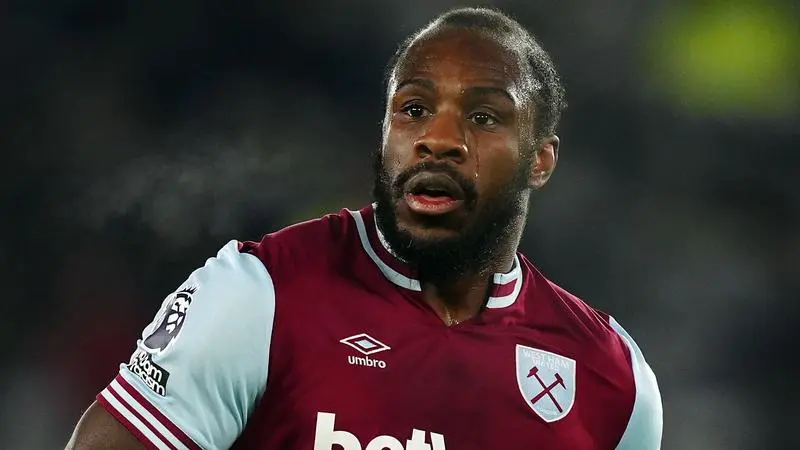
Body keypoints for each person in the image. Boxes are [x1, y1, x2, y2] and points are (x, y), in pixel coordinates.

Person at [66, 7, 662, 450]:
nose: (438, 139)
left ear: (541, 160)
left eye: (483, 117)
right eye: (413, 110)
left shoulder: (614, 382)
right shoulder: (260, 298)